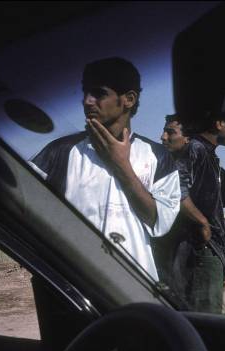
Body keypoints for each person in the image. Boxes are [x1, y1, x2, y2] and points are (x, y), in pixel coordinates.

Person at [29, 57, 181, 281]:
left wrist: (121, 166)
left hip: (133, 286)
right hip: (72, 287)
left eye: (99, 93)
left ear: (128, 99)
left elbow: (159, 222)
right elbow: (23, 206)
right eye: (85, 93)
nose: (87, 101)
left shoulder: (157, 156)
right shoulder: (60, 152)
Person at [158, 113, 225, 313]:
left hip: (205, 253)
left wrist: (218, 252)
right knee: (206, 326)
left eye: (169, 132)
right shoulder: (196, 149)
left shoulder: (207, 156)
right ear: (219, 123)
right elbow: (177, 191)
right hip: (197, 253)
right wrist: (203, 225)